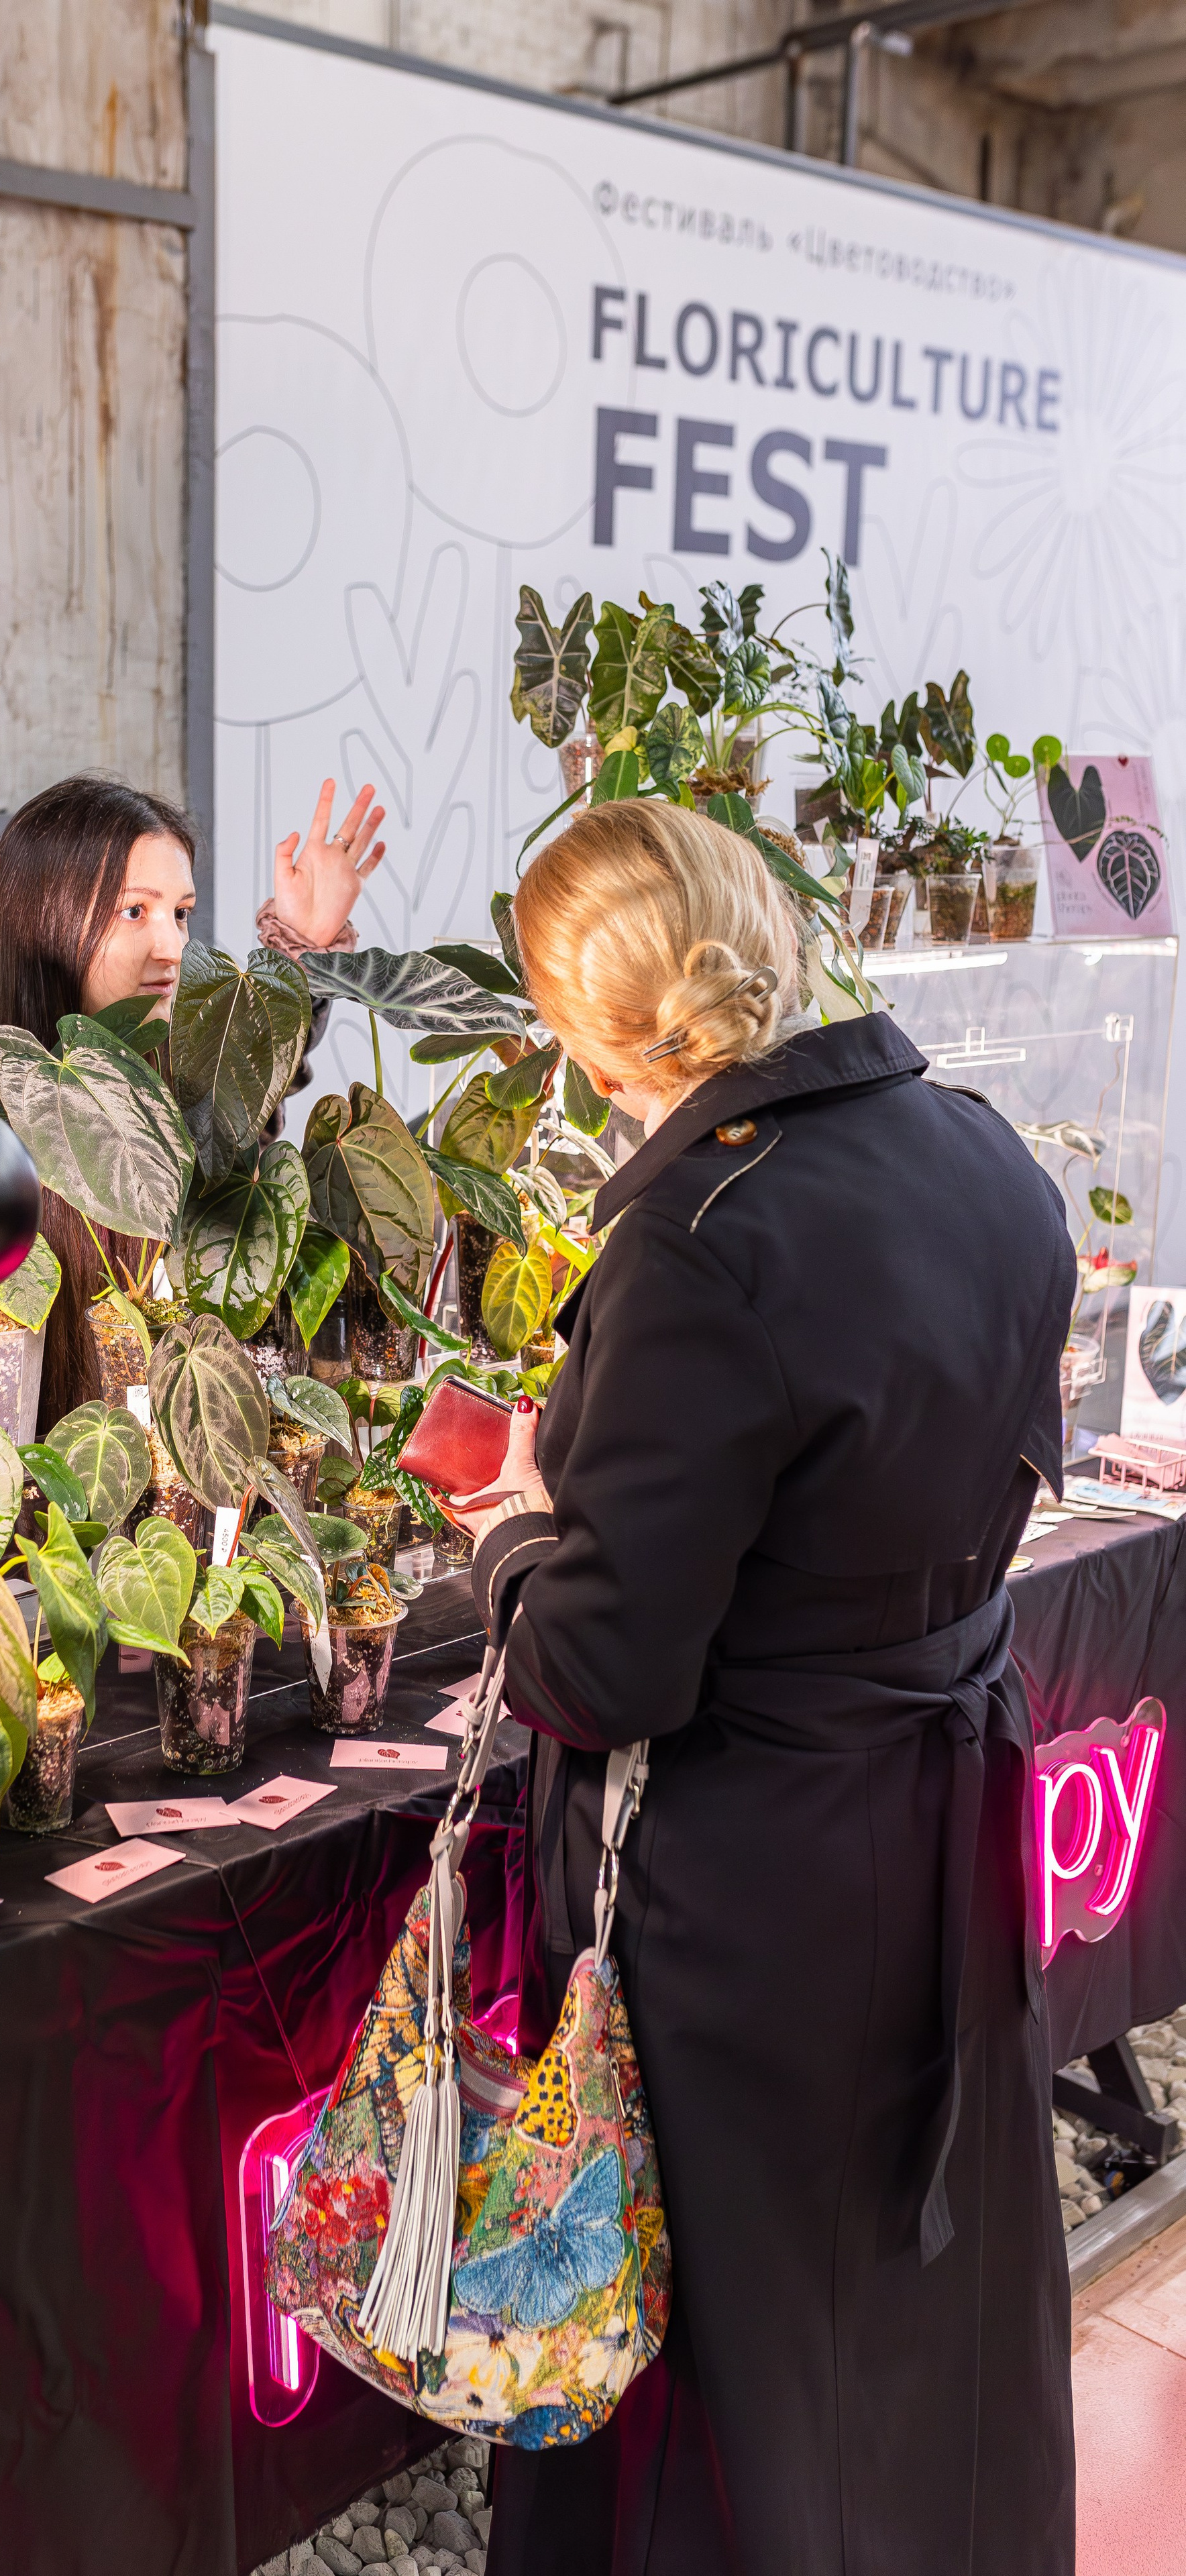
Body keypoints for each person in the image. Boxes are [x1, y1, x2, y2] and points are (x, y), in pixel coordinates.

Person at [444, 799, 1076, 2576]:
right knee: (906, 2292)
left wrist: (506, 1535)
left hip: (749, 1888)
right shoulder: (982, 1153)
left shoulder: (700, 1236)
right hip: (936, 1817)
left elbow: (599, 1665)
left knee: (723, 2342)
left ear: (583, 1021)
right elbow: (1011, 1469)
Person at [0, 770, 386, 1428]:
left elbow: (250, 1091)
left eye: (180, 914)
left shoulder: (168, 1065)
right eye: (134, 911)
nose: (173, 948)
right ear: (43, 918)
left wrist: (303, 945)